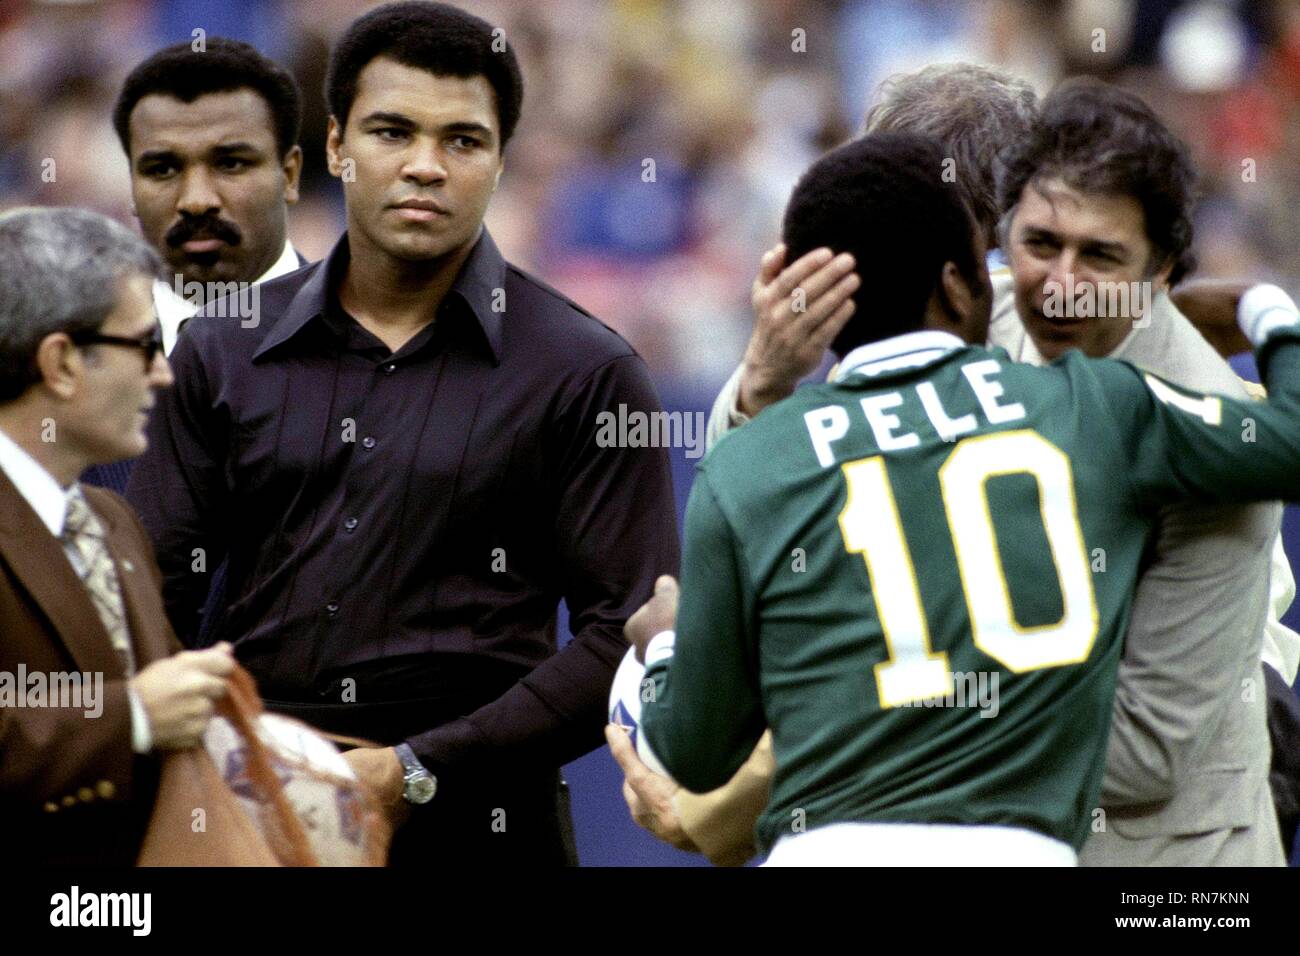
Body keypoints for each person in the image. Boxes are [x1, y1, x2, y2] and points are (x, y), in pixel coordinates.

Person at [620, 68, 1296, 866]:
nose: (1056, 282)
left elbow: (1144, 751)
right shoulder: (949, 323)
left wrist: (766, 767)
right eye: (1037, 247)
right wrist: (762, 385)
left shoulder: (1177, 408)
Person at [125, 1, 678, 866]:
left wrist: (419, 769)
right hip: (252, 812)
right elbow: (153, 599)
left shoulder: (588, 372)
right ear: (335, 145)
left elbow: (626, 632)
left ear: (501, 160)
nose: (425, 165)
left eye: (463, 140)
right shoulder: (220, 349)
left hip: (488, 830)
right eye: (392, 132)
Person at [0, 207, 235, 865]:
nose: (164, 373)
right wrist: (130, 717)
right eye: (145, 345)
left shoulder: (113, 519)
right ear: (61, 362)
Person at [82, 38, 310, 496]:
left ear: (289, 175)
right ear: (131, 186)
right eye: (162, 170)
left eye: (230, 163)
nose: (196, 200)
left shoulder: (375, 345)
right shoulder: (71, 372)